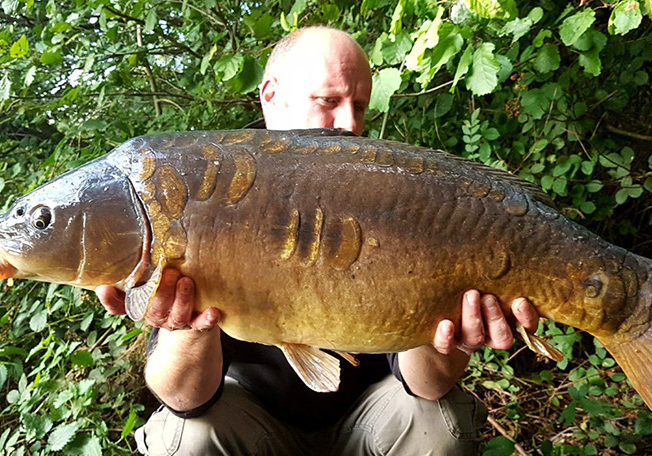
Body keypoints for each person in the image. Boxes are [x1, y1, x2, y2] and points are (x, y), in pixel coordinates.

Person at [97, 26, 540, 455]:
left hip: (368, 421)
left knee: (436, 425)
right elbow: (184, 398)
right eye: (328, 101)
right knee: (188, 438)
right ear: (271, 96)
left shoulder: (398, 189)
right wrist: (186, 328)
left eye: (360, 106)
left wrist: (453, 341)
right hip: (257, 426)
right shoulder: (205, 188)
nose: (348, 124)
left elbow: (425, 385)